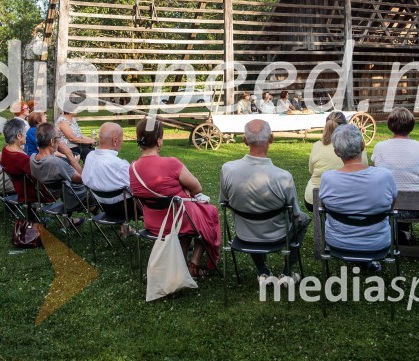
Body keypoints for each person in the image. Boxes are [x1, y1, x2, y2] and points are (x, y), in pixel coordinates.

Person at [220, 119, 311, 283]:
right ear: (271, 138)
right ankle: (287, 272)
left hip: (244, 235)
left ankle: (262, 270)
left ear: (244, 140)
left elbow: (224, 202)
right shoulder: (283, 177)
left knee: (251, 216)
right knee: (303, 219)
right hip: (277, 237)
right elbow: (296, 214)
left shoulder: (228, 170)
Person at [129, 118, 220, 278]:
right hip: (178, 221)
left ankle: (183, 262)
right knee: (209, 212)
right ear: (159, 141)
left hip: (153, 223)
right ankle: (195, 262)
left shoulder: (133, 168)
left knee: (196, 215)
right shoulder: (171, 163)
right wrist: (184, 189)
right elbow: (197, 188)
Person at [320, 125, 398, 265]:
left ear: (337, 152)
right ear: (363, 146)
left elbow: (324, 206)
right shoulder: (384, 176)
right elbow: (391, 205)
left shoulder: (328, 178)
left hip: (338, 244)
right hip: (377, 245)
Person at [372, 108, 419, 244]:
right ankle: (402, 232)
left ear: (390, 125)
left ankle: (398, 233)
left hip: (386, 206)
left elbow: (377, 174)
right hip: (414, 208)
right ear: (411, 125)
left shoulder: (380, 147)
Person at [304, 112, 368, 211]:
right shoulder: (357, 146)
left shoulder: (317, 146)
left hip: (315, 198)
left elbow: (311, 171)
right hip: (352, 197)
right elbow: (364, 168)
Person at [81, 122, 137, 236]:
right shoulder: (119, 165)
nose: (123, 141)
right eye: (122, 138)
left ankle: (125, 227)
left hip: (104, 206)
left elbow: (85, 180)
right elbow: (137, 188)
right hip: (127, 210)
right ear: (115, 140)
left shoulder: (90, 157)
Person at [30, 122, 90, 217]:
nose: (60, 141)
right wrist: (70, 155)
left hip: (46, 194)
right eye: (59, 138)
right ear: (52, 142)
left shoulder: (33, 158)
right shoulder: (56, 163)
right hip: (73, 198)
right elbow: (83, 180)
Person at [0, 118, 45, 212]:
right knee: (63, 184)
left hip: (20, 188)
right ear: (19, 136)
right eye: (25, 133)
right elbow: (37, 177)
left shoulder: (5, 150)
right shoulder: (21, 158)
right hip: (31, 192)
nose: (27, 136)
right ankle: (68, 220)